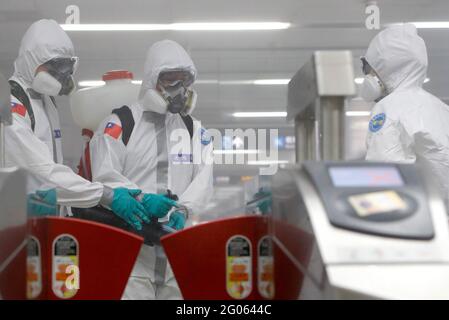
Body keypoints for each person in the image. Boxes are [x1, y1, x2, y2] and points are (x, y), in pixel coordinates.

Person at [89, 39, 214, 299]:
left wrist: (183, 209)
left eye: (184, 81)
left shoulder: (194, 130)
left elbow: (204, 179)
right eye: (171, 80)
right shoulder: (121, 123)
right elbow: (103, 175)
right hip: (131, 258)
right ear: (152, 80)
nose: (179, 89)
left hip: (176, 258)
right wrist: (141, 199)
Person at [5, 19, 153, 229]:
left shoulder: (45, 101)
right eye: (54, 68)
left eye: (66, 69)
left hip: (43, 222)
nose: (61, 77)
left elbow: (54, 170)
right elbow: (41, 173)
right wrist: (106, 195)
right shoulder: (10, 106)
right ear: (31, 60)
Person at [361, 24, 449, 206]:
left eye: (369, 70)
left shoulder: (388, 108)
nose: (367, 76)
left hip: (420, 219)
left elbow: (384, 176)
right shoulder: (440, 107)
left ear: (385, 68)